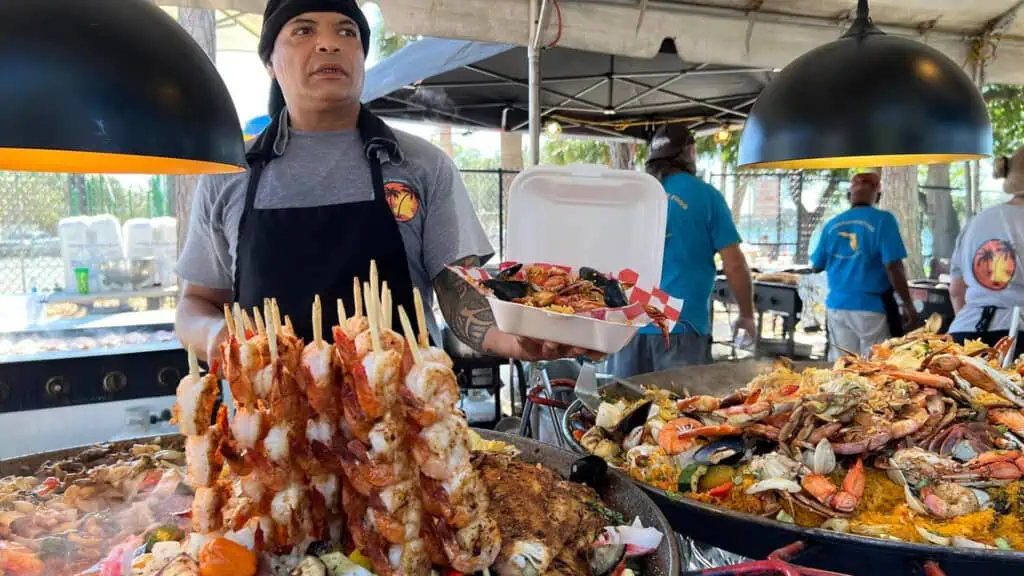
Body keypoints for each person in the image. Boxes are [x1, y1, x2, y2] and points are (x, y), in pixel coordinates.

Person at [174, 0, 592, 365]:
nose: (329, 43)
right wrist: (217, 337)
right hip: (270, 433)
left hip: (403, 429)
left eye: (346, 31)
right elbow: (197, 304)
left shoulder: (421, 166)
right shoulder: (230, 174)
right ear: (270, 62)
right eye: (303, 30)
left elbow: (460, 294)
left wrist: (519, 336)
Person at [606, 125, 755, 377]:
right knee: (680, 409)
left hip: (628, 324)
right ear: (690, 152)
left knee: (622, 411)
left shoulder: (634, 194)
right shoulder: (706, 197)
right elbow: (734, 265)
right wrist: (747, 314)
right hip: (680, 327)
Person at [811, 172, 918, 359]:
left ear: (849, 194)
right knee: (876, 364)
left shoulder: (832, 225)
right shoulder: (883, 220)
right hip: (871, 308)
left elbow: (816, 266)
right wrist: (908, 304)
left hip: (838, 307)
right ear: (877, 194)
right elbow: (893, 266)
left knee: (842, 365)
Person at [948, 145, 1024, 349]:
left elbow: (956, 290)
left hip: (965, 329)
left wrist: (974, 345)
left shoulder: (977, 221)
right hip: (1017, 336)